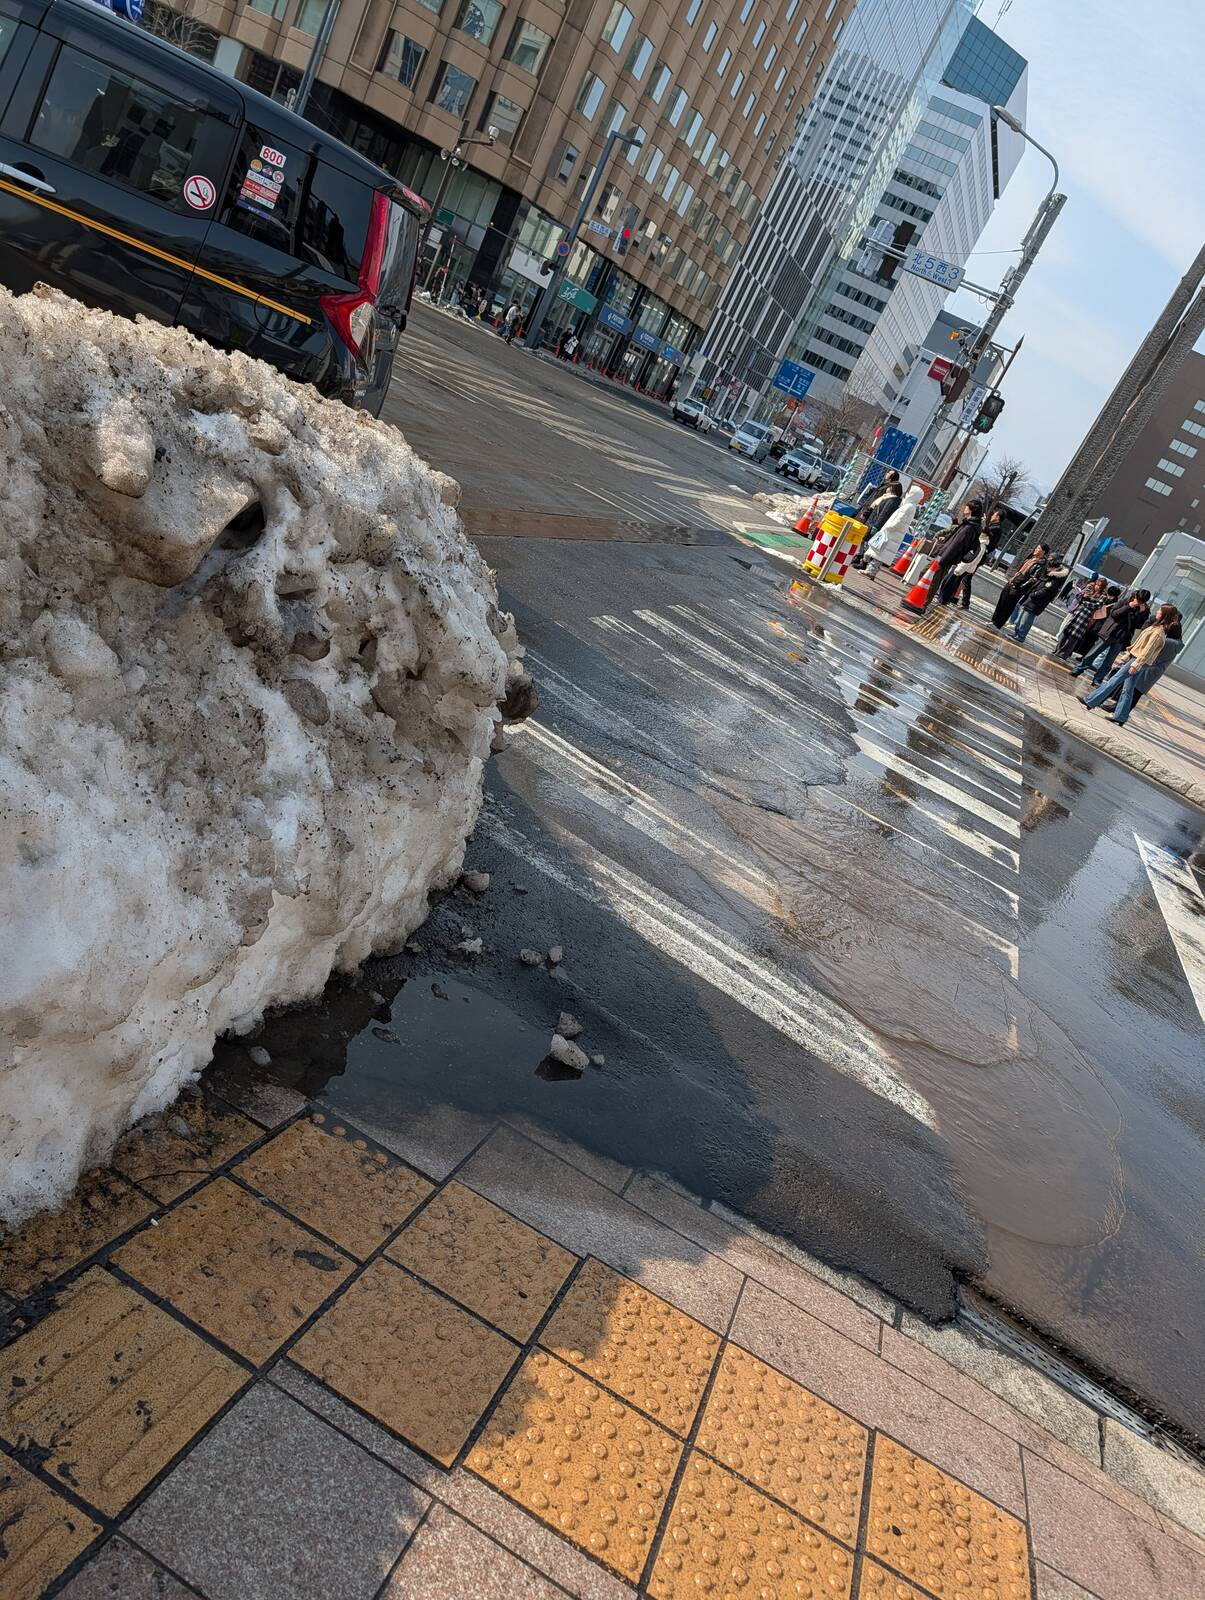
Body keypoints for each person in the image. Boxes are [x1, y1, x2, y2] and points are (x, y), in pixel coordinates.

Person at [1081, 607, 1180, 725]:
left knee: (1113, 681)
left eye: (1160, 611)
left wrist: (1136, 665)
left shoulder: (1158, 632)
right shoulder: (1156, 628)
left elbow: (1147, 651)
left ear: (1165, 615)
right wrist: (1126, 656)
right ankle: (1121, 717)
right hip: (1135, 660)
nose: (1157, 612)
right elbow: (1139, 644)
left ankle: (1091, 701)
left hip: (1136, 661)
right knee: (1128, 690)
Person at [1071, 589, 1151, 684]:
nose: (1139, 602)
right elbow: (1114, 614)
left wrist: (1141, 613)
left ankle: (1098, 679)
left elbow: (1139, 625)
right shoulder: (1125, 601)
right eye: (1138, 599)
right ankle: (1079, 669)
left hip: (1122, 637)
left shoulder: (1144, 610)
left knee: (1109, 661)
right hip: (1109, 632)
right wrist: (1128, 606)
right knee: (1093, 653)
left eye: (1142, 601)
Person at [863, 483, 924, 579]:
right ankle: (870, 570)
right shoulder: (910, 506)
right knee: (879, 552)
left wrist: (889, 527)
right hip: (893, 534)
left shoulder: (908, 506)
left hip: (891, 533)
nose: (907, 493)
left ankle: (870, 571)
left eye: (909, 492)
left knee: (880, 552)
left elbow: (899, 521)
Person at [929, 500, 983, 605]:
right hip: (947, 556)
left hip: (946, 557)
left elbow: (956, 545)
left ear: (971, 509)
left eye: (966, 506)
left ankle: (924, 602)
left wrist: (942, 557)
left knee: (933, 580)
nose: (964, 508)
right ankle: (924, 600)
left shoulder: (969, 527)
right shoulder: (969, 524)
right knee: (931, 578)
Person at [1010, 556, 1071, 642]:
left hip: (1036, 602)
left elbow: (1046, 590)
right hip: (1030, 598)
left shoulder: (1056, 578)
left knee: (1026, 621)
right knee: (1020, 618)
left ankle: (1020, 636)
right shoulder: (1046, 574)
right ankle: (1016, 633)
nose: (1048, 569)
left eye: (1050, 567)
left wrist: (1033, 594)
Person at [990, 543, 1050, 629]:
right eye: (1036, 547)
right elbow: (1020, 570)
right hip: (1013, 581)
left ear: (1043, 552)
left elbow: (1033, 579)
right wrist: (1012, 578)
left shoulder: (1041, 564)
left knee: (1008, 605)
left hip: (1019, 586)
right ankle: (993, 620)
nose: (1036, 549)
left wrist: (1021, 587)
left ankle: (998, 624)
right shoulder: (1031, 558)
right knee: (1002, 601)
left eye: (1038, 548)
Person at [851, 473, 903, 568]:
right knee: (865, 540)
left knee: (868, 542)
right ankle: (861, 558)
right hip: (872, 521)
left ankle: (863, 561)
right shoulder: (887, 497)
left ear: (893, 489)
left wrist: (876, 526)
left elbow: (884, 514)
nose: (887, 488)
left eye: (890, 487)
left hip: (875, 524)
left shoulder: (892, 500)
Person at [1052, 575, 1110, 658]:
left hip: (1086, 616)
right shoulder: (1090, 590)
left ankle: (1064, 653)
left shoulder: (1103, 596)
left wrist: (1086, 602)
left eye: (1099, 586)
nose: (1097, 587)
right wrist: (1085, 596)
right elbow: (1079, 597)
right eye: (1096, 584)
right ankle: (1057, 649)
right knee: (1066, 631)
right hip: (1078, 612)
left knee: (1074, 636)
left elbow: (1097, 606)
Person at [940, 515, 991, 608]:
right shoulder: (982, 544)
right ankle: (944, 598)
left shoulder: (981, 545)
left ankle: (943, 599)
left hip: (962, 567)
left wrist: (961, 567)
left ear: (985, 534)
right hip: (965, 568)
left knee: (949, 582)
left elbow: (972, 559)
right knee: (950, 582)